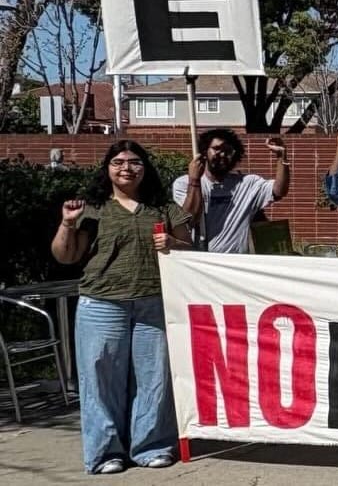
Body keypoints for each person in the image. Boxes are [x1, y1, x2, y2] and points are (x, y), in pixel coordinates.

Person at [50, 140, 192, 474]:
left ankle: (152, 446)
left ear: (145, 168)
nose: (127, 168)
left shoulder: (164, 208)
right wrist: (67, 224)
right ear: (107, 169)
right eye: (118, 162)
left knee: (154, 379)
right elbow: (66, 256)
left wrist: (174, 243)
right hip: (102, 305)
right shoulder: (92, 209)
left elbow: (191, 248)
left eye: (134, 162)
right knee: (100, 381)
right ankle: (105, 453)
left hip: (153, 302)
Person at [172, 128, 290, 253]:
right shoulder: (184, 183)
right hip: (203, 259)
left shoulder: (247, 184)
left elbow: (279, 191)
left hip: (235, 261)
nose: (222, 154)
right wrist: (195, 181)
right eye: (217, 149)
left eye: (227, 150)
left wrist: (281, 157)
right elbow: (189, 220)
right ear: (204, 152)